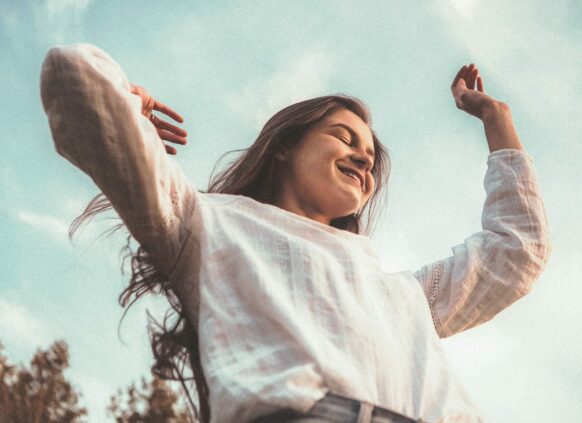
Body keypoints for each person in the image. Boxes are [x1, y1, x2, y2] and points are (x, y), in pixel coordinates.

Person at [40, 43, 551, 423]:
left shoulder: (405, 295)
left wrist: (496, 119)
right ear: (285, 146)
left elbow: (516, 252)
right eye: (343, 137)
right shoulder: (206, 223)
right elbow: (72, 78)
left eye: (370, 159)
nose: (361, 159)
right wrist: (127, 104)